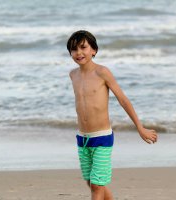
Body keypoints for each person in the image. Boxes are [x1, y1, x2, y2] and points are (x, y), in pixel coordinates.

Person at [67, 30, 158, 200]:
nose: (78, 53)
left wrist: (140, 128)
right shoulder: (73, 75)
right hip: (83, 138)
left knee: (96, 185)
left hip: (101, 137)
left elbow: (123, 100)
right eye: (74, 49)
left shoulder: (102, 72)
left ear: (94, 50)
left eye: (83, 47)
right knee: (91, 181)